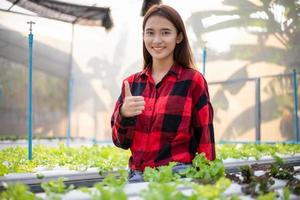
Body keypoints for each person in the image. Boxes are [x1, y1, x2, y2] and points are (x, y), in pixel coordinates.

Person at [111, 4, 215, 183]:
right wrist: (124, 114)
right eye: (150, 32)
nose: (156, 40)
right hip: (137, 176)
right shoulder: (131, 84)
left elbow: (205, 137)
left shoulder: (193, 81)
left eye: (165, 33)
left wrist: (207, 180)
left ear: (179, 37)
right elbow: (121, 142)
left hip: (178, 175)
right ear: (143, 36)